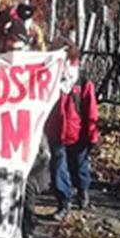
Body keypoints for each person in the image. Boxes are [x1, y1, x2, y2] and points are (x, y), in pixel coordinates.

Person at [46, 43, 99, 219]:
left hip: (78, 133)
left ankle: (83, 193)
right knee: (58, 169)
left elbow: (90, 110)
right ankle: (63, 203)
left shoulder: (83, 82)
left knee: (79, 166)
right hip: (56, 132)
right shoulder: (50, 80)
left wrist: (92, 134)